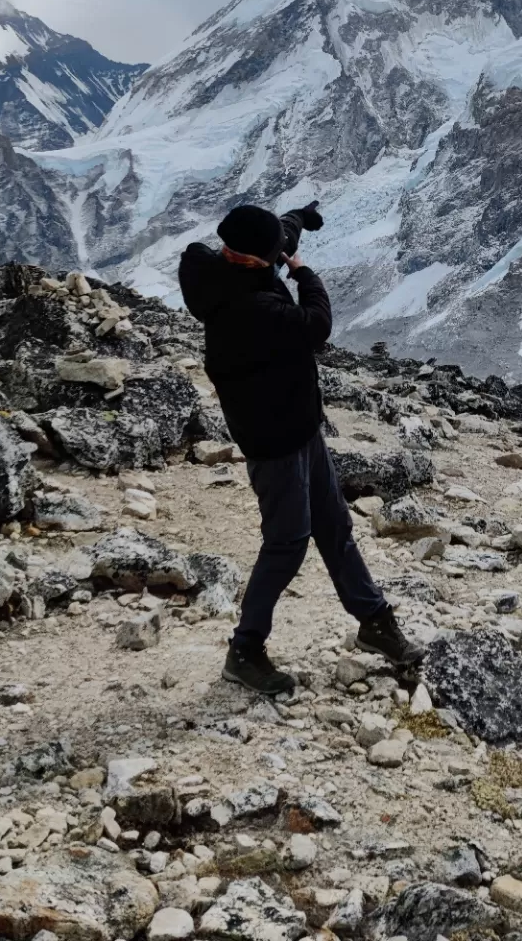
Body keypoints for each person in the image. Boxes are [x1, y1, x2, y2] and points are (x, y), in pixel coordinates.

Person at [178, 200, 424, 694]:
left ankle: (375, 621)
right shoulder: (255, 310)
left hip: (299, 428)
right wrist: (305, 273)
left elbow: (275, 236)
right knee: (288, 543)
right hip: (275, 441)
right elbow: (317, 324)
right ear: (258, 261)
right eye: (275, 254)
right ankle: (244, 650)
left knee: (334, 527)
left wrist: (295, 218)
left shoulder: (212, 267)